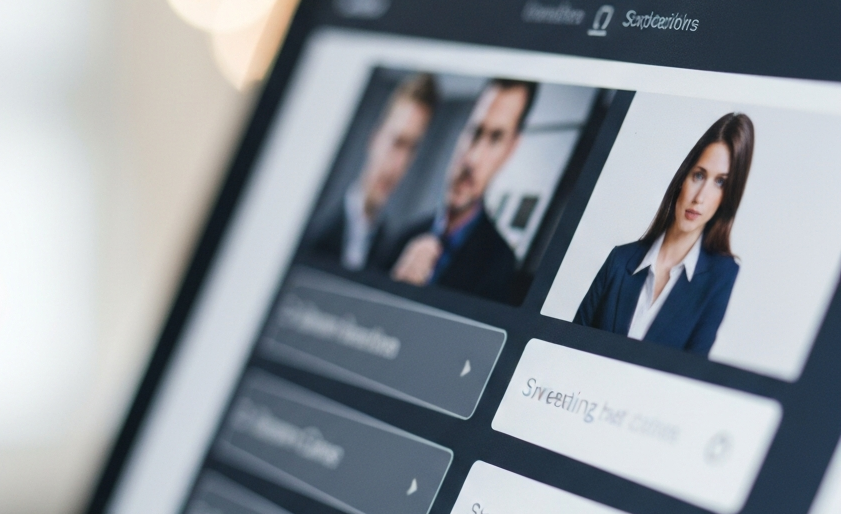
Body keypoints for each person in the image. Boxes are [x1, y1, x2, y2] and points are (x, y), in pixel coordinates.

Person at [574, 112, 754, 356]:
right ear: (683, 178)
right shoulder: (619, 260)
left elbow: (687, 374)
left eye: (720, 182)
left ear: (728, 196)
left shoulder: (720, 275)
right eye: (699, 175)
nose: (699, 197)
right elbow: (568, 349)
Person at [386, 78, 537, 302]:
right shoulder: (403, 237)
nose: (472, 159)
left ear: (510, 149)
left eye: (495, 138)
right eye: (475, 132)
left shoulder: (501, 269)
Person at [309, 73, 437, 270]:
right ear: (375, 138)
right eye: (397, 143)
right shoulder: (314, 232)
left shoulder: (388, 249)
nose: (399, 165)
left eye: (411, 149)